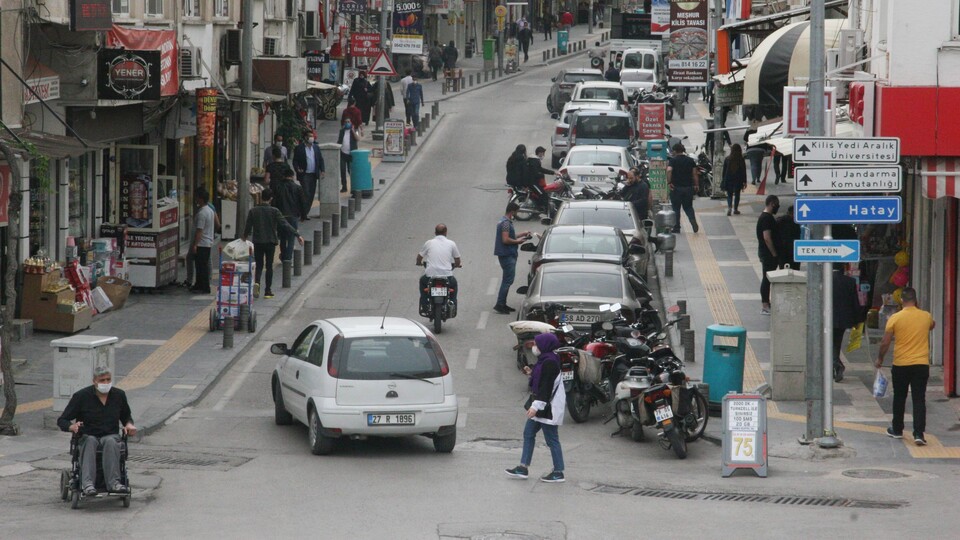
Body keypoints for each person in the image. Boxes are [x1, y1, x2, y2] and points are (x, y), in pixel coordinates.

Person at [57, 366, 136, 495]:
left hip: (110, 435)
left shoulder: (119, 395)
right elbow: (62, 420)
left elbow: (126, 417)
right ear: (94, 381)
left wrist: (129, 425)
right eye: (102, 380)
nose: (106, 383)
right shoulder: (81, 396)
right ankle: (87, 484)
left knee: (111, 441)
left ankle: (114, 483)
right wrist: (72, 427)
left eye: (108, 379)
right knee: (90, 441)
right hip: (88, 435)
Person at [875, 287, 936, 445]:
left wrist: (880, 359)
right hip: (921, 364)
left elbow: (885, 342)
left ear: (901, 300)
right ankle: (919, 434)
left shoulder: (895, 318)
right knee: (919, 398)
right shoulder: (926, 316)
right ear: (916, 300)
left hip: (901, 364)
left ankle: (897, 429)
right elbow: (932, 325)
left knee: (899, 397)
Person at [505, 332, 566, 483]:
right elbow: (540, 379)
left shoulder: (550, 362)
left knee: (552, 439)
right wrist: (531, 373)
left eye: (536, 344)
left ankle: (558, 472)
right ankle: (523, 467)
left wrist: (535, 407)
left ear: (544, 345)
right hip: (541, 406)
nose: (534, 347)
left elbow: (546, 388)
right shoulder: (545, 360)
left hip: (547, 407)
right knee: (528, 433)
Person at [243, 188, 303, 299]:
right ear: (271, 199)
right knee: (269, 266)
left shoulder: (253, 211)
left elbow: (248, 227)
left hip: (258, 241)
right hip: (270, 242)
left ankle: (257, 283)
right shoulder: (274, 211)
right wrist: (297, 234)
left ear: (261, 197)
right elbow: (285, 224)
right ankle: (267, 291)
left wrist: (244, 238)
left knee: (259, 265)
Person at [494, 202, 532, 314]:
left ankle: (503, 303)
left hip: (506, 254)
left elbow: (509, 236)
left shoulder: (504, 222)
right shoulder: (506, 223)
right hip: (507, 254)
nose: (516, 214)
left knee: (507, 280)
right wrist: (518, 242)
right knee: (507, 281)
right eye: (516, 212)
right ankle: (500, 304)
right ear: (512, 211)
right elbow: (505, 240)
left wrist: (522, 234)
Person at [417, 224, 462, 311]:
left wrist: (418, 263)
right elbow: (457, 260)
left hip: (430, 276)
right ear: (446, 232)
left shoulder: (429, 243)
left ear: (435, 232)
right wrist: (457, 265)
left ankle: (424, 304)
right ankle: (452, 303)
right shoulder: (451, 243)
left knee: (422, 281)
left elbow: (419, 257)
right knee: (454, 284)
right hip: (447, 276)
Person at [831, 267, 863, 382]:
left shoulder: (823, 280)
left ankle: (836, 365)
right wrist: (858, 320)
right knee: (836, 343)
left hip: (826, 318)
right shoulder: (850, 281)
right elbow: (855, 302)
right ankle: (835, 366)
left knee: (827, 344)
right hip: (843, 319)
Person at [271, 169, 307, 262]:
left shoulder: (278, 187)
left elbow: (274, 202)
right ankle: (288, 258)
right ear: (292, 176)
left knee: (282, 238)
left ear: (284, 176)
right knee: (291, 237)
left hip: (281, 215)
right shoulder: (298, 188)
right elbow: (303, 203)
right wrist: (303, 215)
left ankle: (283, 256)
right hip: (293, 215)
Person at [666, 143, 699, 233]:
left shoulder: (673, 160)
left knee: (676, 208)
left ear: (675, 151)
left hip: (676, 188)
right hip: (688, 188)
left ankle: (676, 227)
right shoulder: (690, 160)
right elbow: (695, 174)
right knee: (688, 207)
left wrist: (669, 182)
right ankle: (692, 220)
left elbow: (669, 170)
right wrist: (696, 185)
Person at [756, 195, 780, 315]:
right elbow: (767, 238)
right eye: (777, 204)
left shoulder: (766, 217)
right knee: (767, 279)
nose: (778, 207)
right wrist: (774, 253)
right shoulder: (766, 218)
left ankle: (766, 304)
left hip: (766, 253)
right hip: (768, 254)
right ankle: (765, 305)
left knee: (767, 278)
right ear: (771, 203)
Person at [292, 130, 325, 218]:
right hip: (304, 174)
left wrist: (322, 170)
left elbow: (320, 159)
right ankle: (302, 213)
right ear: (305, 138)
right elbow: (295, 161)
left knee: (311, 194)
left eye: (312, 136)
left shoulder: (316, 148)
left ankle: (305, 212)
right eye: (310, 136)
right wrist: (297, 169)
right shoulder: (299, 148)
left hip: (313, 174)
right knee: (306, 193)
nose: (311, 138)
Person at [191, 189, 215, 294]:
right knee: (201, 265)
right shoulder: (210, 210)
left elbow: (199, 230)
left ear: (201, 199)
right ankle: (199, 284)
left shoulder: (202, 213)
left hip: (202, 243)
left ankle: (204, 287)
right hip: (207, 242)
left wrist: (195, 245)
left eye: (197, 197)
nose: (196, 199)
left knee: (201, 266)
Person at [721, 143, 747, 216]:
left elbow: (724, 171)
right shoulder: (741, 159)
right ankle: (735, 209)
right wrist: (744, 181)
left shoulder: (727, 159)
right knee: (737, 194)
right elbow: (743, 171)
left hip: (729, 179)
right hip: (738, 179)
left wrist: (723, 180)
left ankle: (729, 208)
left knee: (729, 194)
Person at [337, 118, 360, 193]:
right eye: (346, 122)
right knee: (342, 170)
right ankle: (344, 187)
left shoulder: (355, 130)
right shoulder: (342, 131)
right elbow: (339, 141)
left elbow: (358, 138)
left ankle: (354, 187)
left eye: (349, 122)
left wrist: (353, 131)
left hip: (351, 154)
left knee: (351, 171)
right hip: (343, 154)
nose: (347, 123)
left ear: (351, 123)